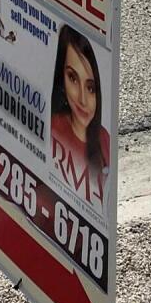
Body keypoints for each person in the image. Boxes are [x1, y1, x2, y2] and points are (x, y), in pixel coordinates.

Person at [49, 26, 109, 206]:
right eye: (73, 78)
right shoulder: (51, 129)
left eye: (90, 88)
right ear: (61, 77)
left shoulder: (105, 140)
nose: (82, 99)